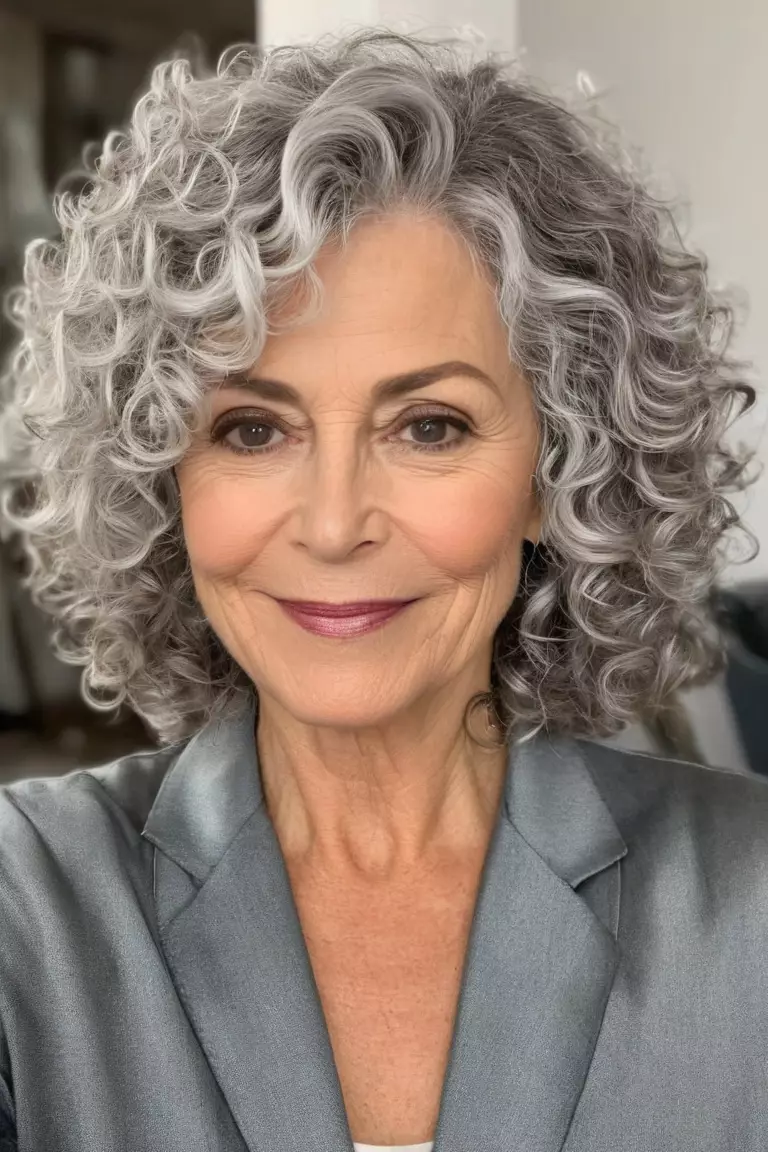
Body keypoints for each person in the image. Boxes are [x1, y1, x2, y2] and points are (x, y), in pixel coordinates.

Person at [0, 25, 764, 1152]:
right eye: (253, 428)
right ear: (159, 472)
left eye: (430, 425)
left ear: (559, 470)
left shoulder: (750, 910)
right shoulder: (26, 908)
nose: (334, 521)